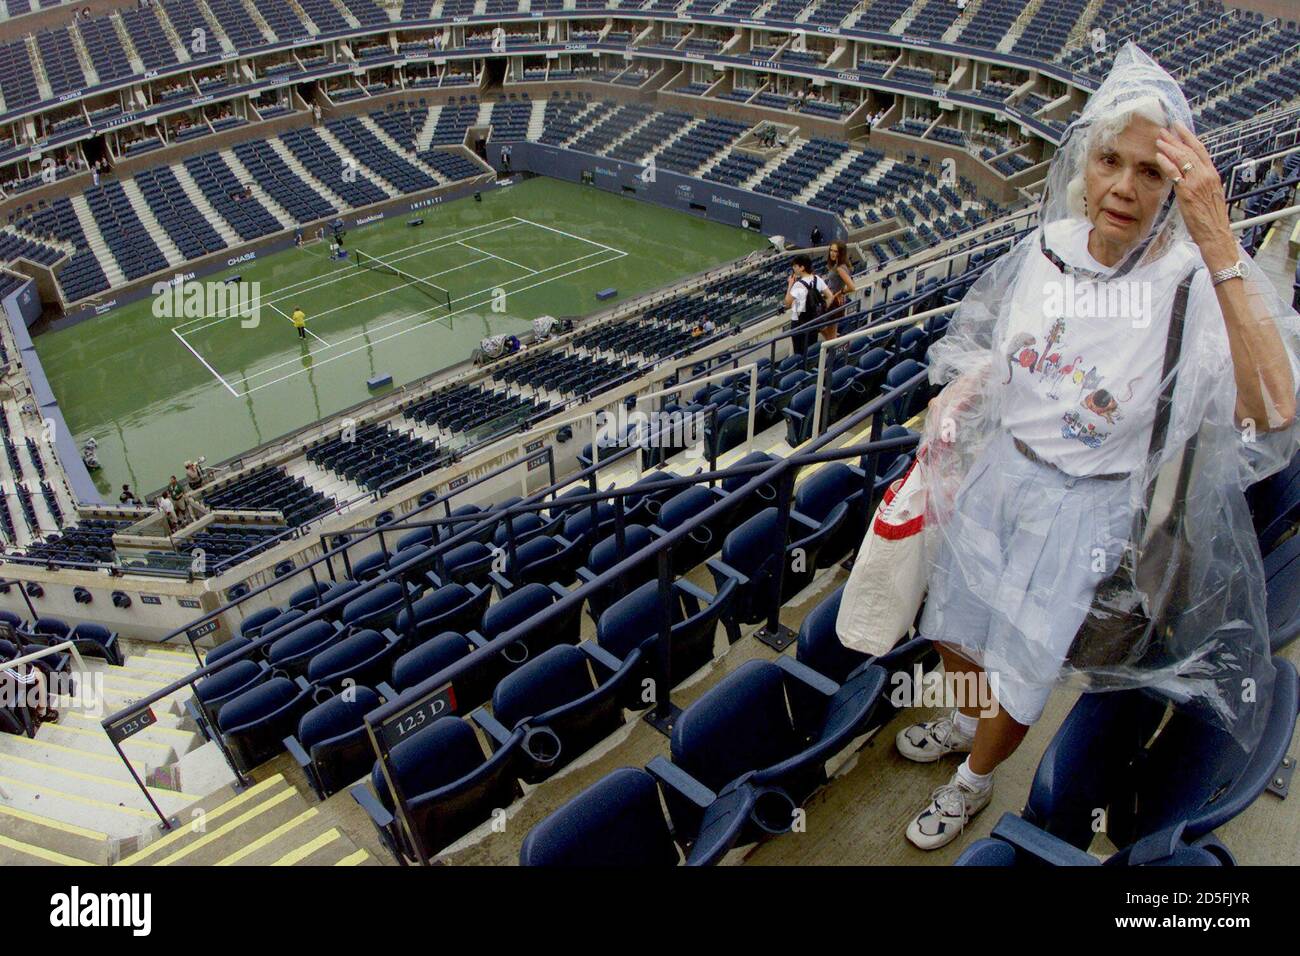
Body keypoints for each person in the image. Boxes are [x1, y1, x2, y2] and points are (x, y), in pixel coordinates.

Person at [885, 43, 1300, 851]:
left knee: (1024, 668)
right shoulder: (1047, 250)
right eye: (1111, 159)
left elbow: (1275, 409)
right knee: (956, 628)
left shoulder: (1189, 280)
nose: (1123, 187)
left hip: (1086, 508)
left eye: (1151, 172)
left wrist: (1218, 240)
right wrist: (965, 388)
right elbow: (997, 353)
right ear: (1084, 160)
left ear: (1177, 187)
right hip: (997, 479)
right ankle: (966, 724)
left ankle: (976, 779)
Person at [783, 254, 833, 360]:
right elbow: (830, 296)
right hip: (814, 320)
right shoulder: (817, 279)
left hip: (799, 323)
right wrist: (822, 309)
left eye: (795, 266)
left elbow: (787, 303)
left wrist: (790, 284)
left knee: (800, 353)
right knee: (811, 350)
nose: (794, 268)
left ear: (802, 267)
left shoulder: (798, 284)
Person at [822, 240, 856, 341]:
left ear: (840, 253)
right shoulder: (840, 265)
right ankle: (833, 350)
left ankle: (833, 352)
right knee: (831, 333)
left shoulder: (840, 268)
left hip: (833, 302)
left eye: (835, 251)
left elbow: (852, 287)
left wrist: (839, 293)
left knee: (827, 331)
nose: (832, 253)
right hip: (834, 300)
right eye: (831, 250)